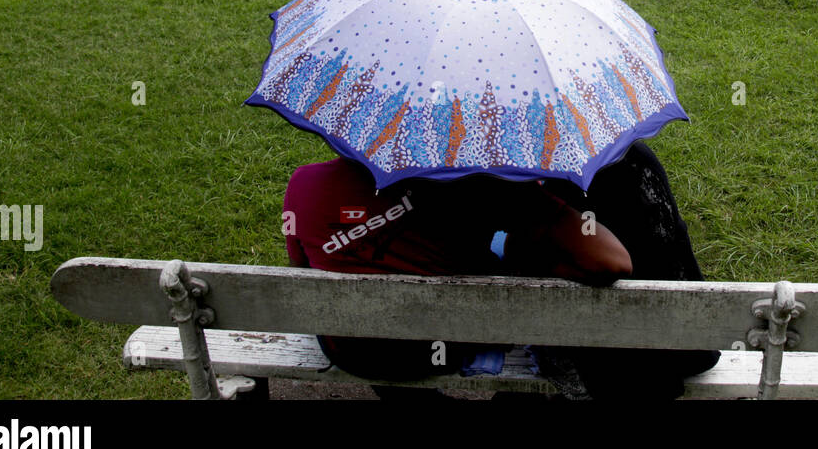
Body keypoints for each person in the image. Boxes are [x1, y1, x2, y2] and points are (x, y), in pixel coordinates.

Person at [284, 140, 720, 399]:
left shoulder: (301, 185)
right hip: (450, 341)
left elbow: (304, 277)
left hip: (353, 348)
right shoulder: (453, 181)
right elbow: (611, 261)